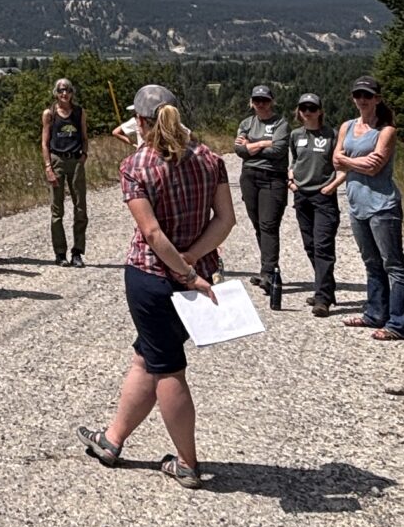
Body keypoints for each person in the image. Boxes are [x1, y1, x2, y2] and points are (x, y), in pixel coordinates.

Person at [78, 85, 234, 488]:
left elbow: (150, 231)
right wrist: (193, 261)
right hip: (195, 275)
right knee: (146, 357)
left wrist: (181, 269)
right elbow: (225, 221)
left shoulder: (136, 165)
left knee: (168, 368)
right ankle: (112, 440)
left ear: (142, 122)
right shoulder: (210, 159)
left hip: (151, 277)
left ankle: (187, 463)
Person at [334, 78, 404, 340]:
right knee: (371, 263)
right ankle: (375, 313)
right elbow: (336, 161)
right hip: (357, 204)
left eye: (367, 95)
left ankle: (399, 323)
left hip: (383, 205)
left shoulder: (386, 130)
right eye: (358, 94)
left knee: (393, 264)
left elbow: (374, 167)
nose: (362, 99)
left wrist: (348, 161)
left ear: (377, 98)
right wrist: (357, 160)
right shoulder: (346, 126)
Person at [233, 83, 293, 309]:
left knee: (269, 224)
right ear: (251, 102)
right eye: (256, 100)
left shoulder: (281, 124)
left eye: (264, 100)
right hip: (249, 177)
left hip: (272, 179)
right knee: (258, 224)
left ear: (272, 101)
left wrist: (252, 146)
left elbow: (278, 150)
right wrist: (262, 144)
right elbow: (239, 150)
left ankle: (270, 271)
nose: (260, 104)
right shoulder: (246, 123)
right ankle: (265, 268)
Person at [287, 93, 342, 317]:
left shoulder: (332, 135)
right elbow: (294, 160)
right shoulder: (295, 135)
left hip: (324, 195)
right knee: (310, 245)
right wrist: (291, 181)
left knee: (323, 246)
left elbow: (341, 163)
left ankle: (322, 298)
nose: (307, 112)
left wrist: (333, 185)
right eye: (303, 108)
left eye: (311, 108)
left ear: (320, 111)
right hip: (302, 195)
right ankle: (326, 287)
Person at [42, 77, 90, 264]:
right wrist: (48, 166)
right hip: (57, 160)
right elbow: (45, 142)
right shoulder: (50, 114)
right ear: (56, 92)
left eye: (68, 90)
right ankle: (60, 253)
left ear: (72, 93)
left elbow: (85, 136)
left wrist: (84, 155)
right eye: (61, 90)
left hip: (76, 160)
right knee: (57, 209)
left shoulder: (79, 113)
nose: (64, 94)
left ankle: (77, 251)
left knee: (80, 208)